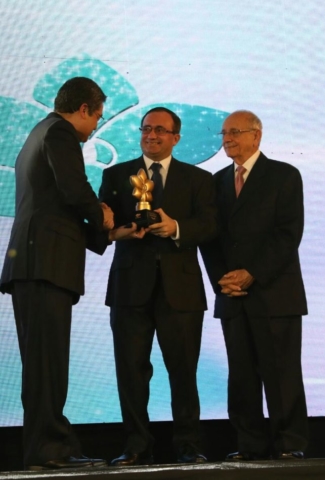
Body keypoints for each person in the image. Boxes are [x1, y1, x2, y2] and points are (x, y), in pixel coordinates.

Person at [0, 77, 113, 470]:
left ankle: (46, 449)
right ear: (83, 109)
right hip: (43, 265)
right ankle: (50, 451)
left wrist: (106, 233)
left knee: (42, 365)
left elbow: (55, 205)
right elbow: (74, 189)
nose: (95, 126)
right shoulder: (60, 133)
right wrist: (102, 214)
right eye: (96, 117)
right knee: (47, 365)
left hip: (35, 264)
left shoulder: (41, 132)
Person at [98, 107, 218, 466]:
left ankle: (188, 444)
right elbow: (105, 226)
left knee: (184, 371)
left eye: (160, 130)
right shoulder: (116, 174)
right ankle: (136, 445)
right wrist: (117, 230)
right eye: (146, 129)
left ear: (175, 138)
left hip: (180, 291)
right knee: (131, 371)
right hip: (129, 288)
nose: (151, 135)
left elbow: (210, 225)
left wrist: (176, 228)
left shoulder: (198, 179)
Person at [201, 110, 309, 461]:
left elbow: (288, 234)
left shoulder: (283, 175)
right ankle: (250, 445)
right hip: (232, 296)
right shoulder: (216, 182)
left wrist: (252, 273)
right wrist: (222, 280)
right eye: (224, 133)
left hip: (274, 293)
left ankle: (289, 444)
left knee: (281, 374)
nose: (227, 139)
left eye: (235, 132)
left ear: (256, 136)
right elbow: (209, 238)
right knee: (241, 376)